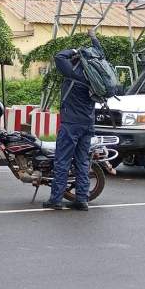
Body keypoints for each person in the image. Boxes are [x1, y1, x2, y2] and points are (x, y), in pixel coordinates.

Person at [44, 32, 104, 211]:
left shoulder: (73, 72)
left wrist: (75, 50)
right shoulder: (95, 76)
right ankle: (82, 199)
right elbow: (100, 53)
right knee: (82, 162)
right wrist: (94, 39)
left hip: (71, 123)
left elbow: (59, 56)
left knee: (62, 161)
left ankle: (56, 199)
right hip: (88, 123)